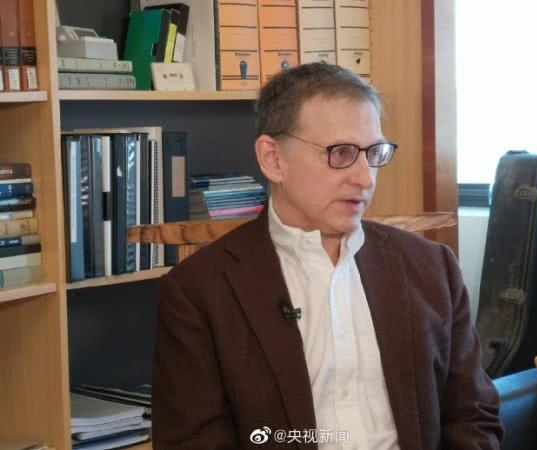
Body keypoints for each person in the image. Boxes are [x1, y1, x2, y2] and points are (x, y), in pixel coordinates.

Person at [152, 63, 503, 450]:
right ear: (273, 158)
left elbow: (473, 416)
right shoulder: (199, 290)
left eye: (374, 153)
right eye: (342, 153)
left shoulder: (431, 267)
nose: (365, 178)